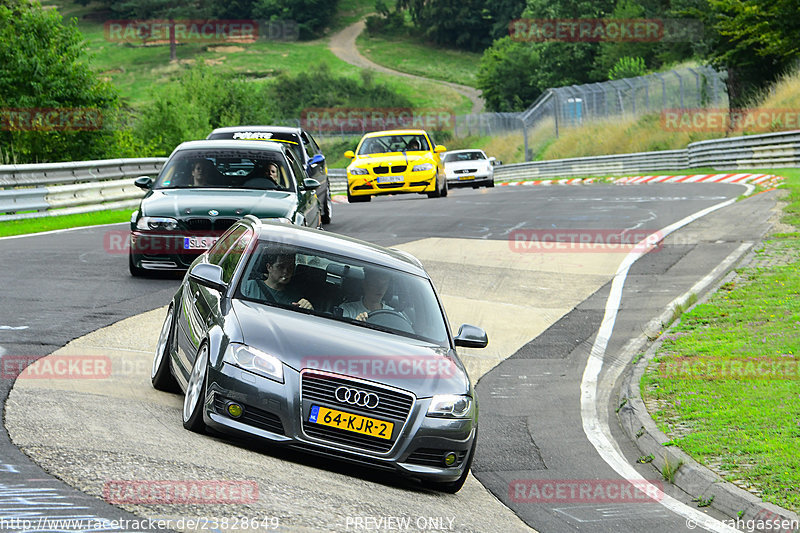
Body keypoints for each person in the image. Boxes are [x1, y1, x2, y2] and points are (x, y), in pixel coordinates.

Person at [244, 250, 314, 310]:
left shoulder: (296, 298)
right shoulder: (250, 287)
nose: (286, 271)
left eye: (290, 267)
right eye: (280, 267)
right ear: (269, 267)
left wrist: (308, 309)